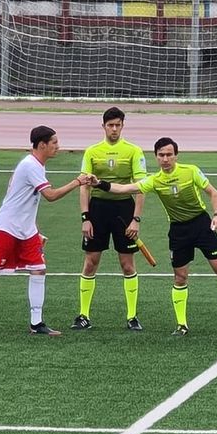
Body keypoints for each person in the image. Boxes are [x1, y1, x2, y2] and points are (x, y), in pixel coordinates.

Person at [92, 137, 217, 336]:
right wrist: (99, 183)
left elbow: (213, 193)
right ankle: (182, 325)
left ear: (176, 156)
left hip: (201, 225)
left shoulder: (190, 171)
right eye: (161, 155)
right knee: (180, 277)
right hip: (178, 231)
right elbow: (124, 189)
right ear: (156, 157)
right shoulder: (155, 180)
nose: (165, 159)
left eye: (169, 155)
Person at [0, 125, 92, 336]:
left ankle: (36, 323)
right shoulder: (30, 165)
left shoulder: (36, 165)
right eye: (54, 142)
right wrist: (77, 182)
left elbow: (26, 201)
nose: (58, 146)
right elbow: (50, 196)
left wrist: (34, 229)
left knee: (39, 269)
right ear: (42, 145)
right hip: (7, 227)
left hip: (26, 230)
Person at [73, 107, 148, 332]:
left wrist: (136, 219)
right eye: (110, 125)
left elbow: (141, 187)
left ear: (123, 126)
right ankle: (83, 315)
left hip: (124, 210)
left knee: (127, 264)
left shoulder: (133, 151)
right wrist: (85, 218)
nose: (114, 129)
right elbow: (84, 186)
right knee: (91, 261)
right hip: (98, 209)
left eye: (117, 125)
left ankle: (132, 316)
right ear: (103, 126)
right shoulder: (92, 151)